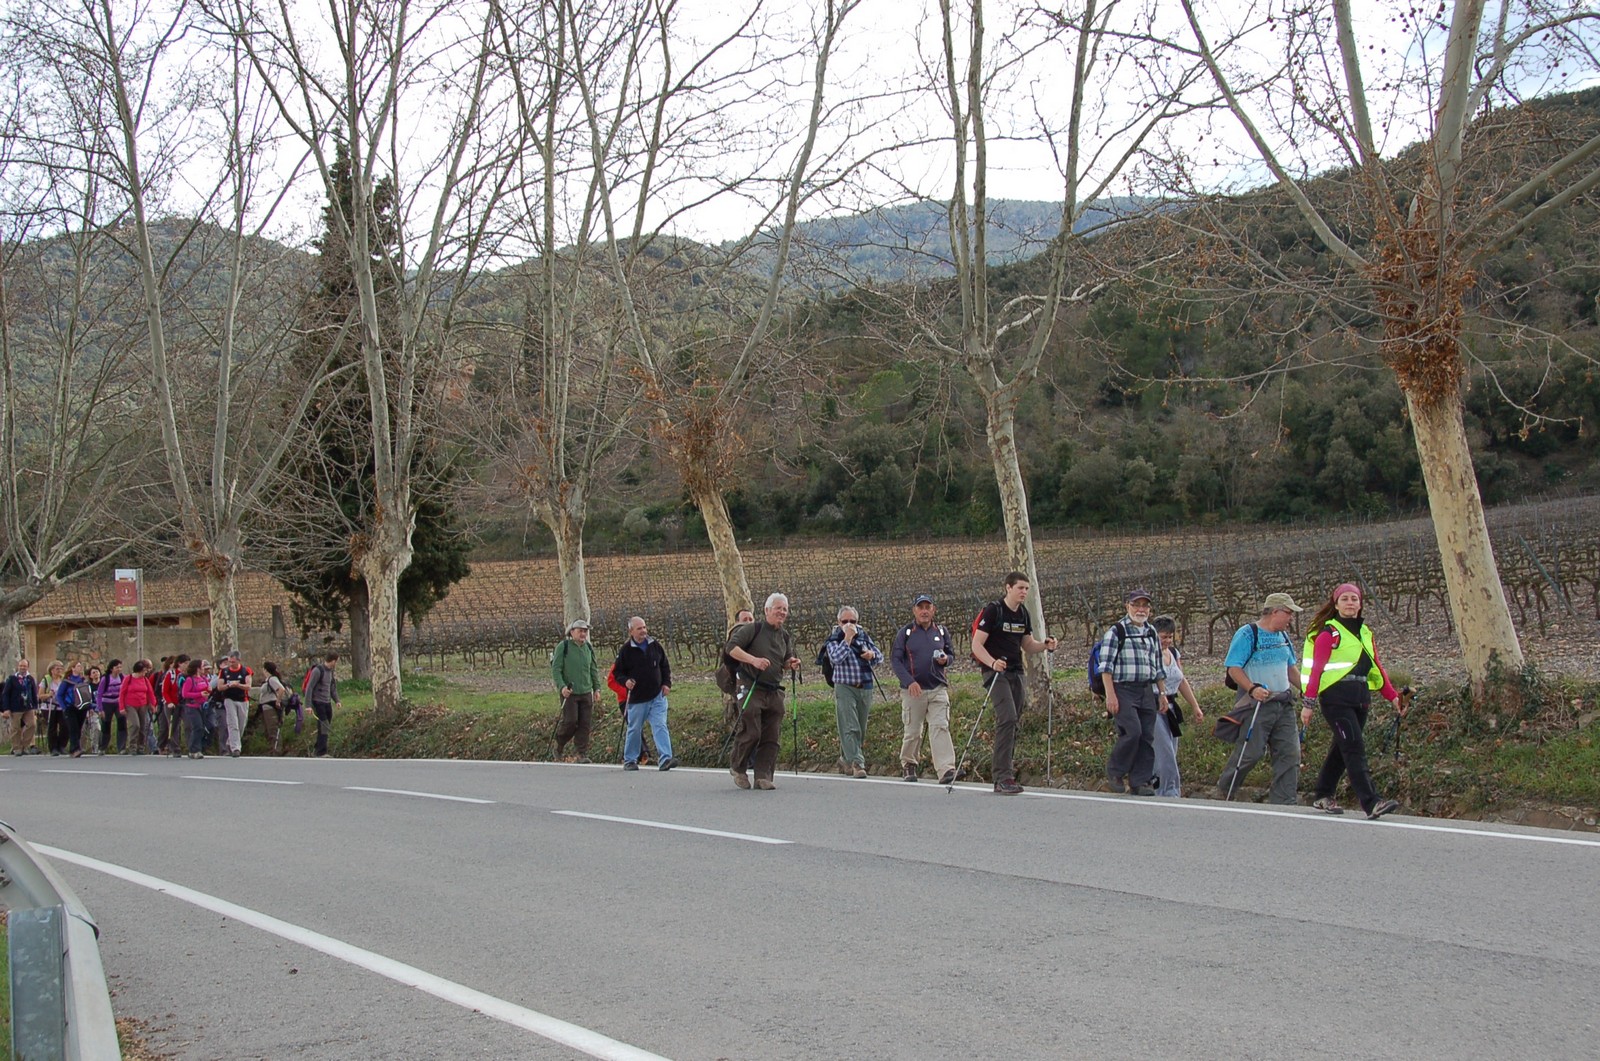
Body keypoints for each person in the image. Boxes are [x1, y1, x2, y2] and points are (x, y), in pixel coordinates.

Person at [1302, 583, 1404, 820]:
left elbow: (1377, 667)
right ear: (1336, 604)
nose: (1350, 603)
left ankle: (1323, 795)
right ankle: (1371, 802)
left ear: (1360, 604)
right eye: (1345, 599)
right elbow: (1316, 671)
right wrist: (1308, 704)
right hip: (1335, 700)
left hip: (1360, 698)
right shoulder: (1329, 634)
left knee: (1342, 748)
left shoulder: (1365, 633)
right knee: (1354, 748)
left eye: (1354, 599)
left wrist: (1393, 696)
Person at [969, 572, 1059, 795]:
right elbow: (976, 645)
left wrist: (1045, 645)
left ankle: (1005, 773)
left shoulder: (1023, 614)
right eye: (1020, 588)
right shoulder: (994, 610)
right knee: (1007, 717)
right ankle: (1002, 776)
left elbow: (1027, 645)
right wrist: (993, 662)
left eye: (1027, 589)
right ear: (1008, 588)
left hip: (1016, 672)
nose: (1024, 592)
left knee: (1013, 721)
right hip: (995, 673)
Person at [1217, 592, 1306, 805]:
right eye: (1288, 613)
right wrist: (1252, 688)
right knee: (1251, 752)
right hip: (1257, 705)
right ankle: (1225, 791)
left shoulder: (1283, 637)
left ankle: (1284, 802)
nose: (1291, 618)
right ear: (1275, 612)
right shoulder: (1248, 634)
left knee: (1290, 753)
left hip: (1284, 703)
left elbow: (1290, 668)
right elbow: (1233, 668)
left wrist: (1306, 689)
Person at [726, 592, 801, 790]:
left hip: (773, 690)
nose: (782, 612)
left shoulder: (784, 635)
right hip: (751, 685)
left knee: (772, 734)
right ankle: (738, 768)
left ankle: (763, 776)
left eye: (785, 609)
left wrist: (791, 663)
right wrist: (754, 661)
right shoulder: (753, 629)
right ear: (767, 610)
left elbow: (785, 660)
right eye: (778, 608)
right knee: (752, 730)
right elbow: (731, 648)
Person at [1099, 589, 1167, 796]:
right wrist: (1110, 695)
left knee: (1146, 736)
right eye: (1136, 605)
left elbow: (1157, 666)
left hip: (1146, 689)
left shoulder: (1151, 632)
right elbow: (1106, 667)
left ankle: (1140, 781)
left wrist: (1162, 693)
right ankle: (1115, 773)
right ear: (1127, 606)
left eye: (1145, 605)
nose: (1141, 610)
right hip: (1123, 689)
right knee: (1132, 731)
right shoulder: (1116, 631)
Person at [891, 594, 958, 784]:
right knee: (913, 731)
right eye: (920, 608)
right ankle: (909, 764)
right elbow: (895, 660)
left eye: (928, 607)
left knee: (940, 727)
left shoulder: (941, 631)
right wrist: (909, 682)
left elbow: (951, 654)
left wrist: (946, 660)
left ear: (933, 610)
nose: (924, 611)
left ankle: (946, 769)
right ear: (914, 611)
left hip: (937, 688)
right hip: (914, 691)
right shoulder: (906, 633)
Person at [823, 604, 881, 778]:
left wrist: (872, 655)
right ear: (838, 622)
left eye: (853, 621)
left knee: (860, 728)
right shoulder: (834, 639)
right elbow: (836, 658)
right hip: (845, 686)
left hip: (865, 686)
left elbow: (879, 656)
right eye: (845, 621)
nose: (849, 624)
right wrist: (847, 639)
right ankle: (858, 763)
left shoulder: (864, 637)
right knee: (850, 726)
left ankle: (845, 759)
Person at [614, 617, 677, 772]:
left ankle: (665, 758)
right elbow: (618, 673)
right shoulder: (626, 651)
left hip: (657, 696)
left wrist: (666, 683)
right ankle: (630, 760)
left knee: (660, 725)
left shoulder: (655, 645)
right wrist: (625, 681)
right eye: (639, 628)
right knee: (634, 729)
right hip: (637, 698)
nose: (643, 631)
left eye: (644, 627)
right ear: (631, 631)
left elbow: (664, 666)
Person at [1152, 616, 1203, 798]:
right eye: (1163, 637)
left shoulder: (1173, 653)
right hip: (1154, 706)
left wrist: (1195, 706)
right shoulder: (1149, 655)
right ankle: (1169, 793)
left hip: (1171, 707)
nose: (1167, 641)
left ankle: (1162, 789)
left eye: (1170, 637)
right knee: (1164, 752)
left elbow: (1181, 680)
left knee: (1171, 752)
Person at [552, 619, 601, 762]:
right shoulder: (564, 647)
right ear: (572, 632)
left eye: (585, 631)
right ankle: (559, 743)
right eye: (580, 631)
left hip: (586, 691)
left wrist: (596, 688)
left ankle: (581, 753)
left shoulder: (588, 648)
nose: (583, 634)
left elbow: (593, 669)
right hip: (570, 693)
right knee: (570, 721)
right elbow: (556, 669)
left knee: (585, 724)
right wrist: (562, 687)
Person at [303, 653, 341, 758]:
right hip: (318, 702)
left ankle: (318, 748)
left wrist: (337, 700)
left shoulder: (331, 672)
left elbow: (332, 688)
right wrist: (308, 705)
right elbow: (309, 687)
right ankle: (321, 752)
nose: (336, 663)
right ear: (333, 661)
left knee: (325, 726)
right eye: (336, 661)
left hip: (327, 702)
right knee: (324, 725)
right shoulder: (318, 671)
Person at [216, 652, 252, 757]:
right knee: (233, 724)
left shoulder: (246, 670)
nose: (231, 664)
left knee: (241, 724)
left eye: (233, 662)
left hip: (243, 700)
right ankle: (236, 748)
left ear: (238, 661)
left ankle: (230, 742)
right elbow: (219, 687)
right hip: (229, 699)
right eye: (229, 662)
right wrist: (228, 685)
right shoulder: (224, 671)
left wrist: (238, 685)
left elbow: (248, 686)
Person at [118, 659, 158, 755]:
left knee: (143, 727)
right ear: (138, 670)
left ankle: (141, 747)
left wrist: (153, 704)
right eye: (144, 671)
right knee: (135, 725)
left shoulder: (145, 680)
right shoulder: (128, 679)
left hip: (143, 705)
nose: (145, 673)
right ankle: (132, 747)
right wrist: (121, 707)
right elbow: (122, 693)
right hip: (130, 705)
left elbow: (150, 692)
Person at [3, 658, 41, 756]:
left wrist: (36, 706)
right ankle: (16, 748)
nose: (22, 668)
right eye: (21, 666)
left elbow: (34, 693)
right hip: (15, 707)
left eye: (24, 666)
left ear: (28, 667)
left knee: (32, 725)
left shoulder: (30, 679)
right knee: (15, 728)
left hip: (28, 706)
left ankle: (24, 746)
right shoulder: (12, 679)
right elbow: (6, 694)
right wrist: (6, 708)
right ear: (18, 666)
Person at [55, 662, 91, 758]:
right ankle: (74, 749)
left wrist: (89, 706)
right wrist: (64, 707)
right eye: (78, 666)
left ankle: (76, 747)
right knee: (73, 728)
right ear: (73, 668)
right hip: (70, 707)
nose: (80, 668)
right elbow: (59, 695)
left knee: (78, 728)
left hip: (82, 707)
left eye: (80, 666)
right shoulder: (67, 681)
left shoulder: (83, 680)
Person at [179, 658, 211, 759]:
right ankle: (194, 750)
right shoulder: (190, 680)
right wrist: (199, 694)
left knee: (204, 728)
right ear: (197, 668)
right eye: (202, 667)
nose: (203, 669)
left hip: (202, 706)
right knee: (198, 727)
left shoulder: (203, 679)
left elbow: (207, 689)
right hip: (192, 707)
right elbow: (185, 694)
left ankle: (198, 748)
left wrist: (208, 691)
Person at [257, 661, 291, 755]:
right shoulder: (268, 680)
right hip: (265, 707)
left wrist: (278, 701)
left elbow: (281, 689)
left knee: (273, 728)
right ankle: (272, 748)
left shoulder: (272, 679)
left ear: (265, 669)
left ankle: (276, 750)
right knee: (269, 729)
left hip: (270, 707)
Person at [96, 659, 127, 754]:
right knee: (106, 724)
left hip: (118, 703)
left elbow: (125, 691)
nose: (119, 669)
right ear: (111, 668)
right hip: (106, 703)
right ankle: (102, 747)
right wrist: (100, 709)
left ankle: (121, 748)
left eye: (120, 667)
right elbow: (99, 694)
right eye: (117, 667)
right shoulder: (105, 679)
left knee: (122, 724)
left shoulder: (122, 677)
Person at [41, 660, 68, 756]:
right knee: (52, 727)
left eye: (61, 668)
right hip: (49, 707)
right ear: (52, 670)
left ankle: (62, 746)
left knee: (65, 726)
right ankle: (53, 748)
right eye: (57, 669)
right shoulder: (46, 680)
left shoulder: (64, 680)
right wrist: (48, 695)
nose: (60, 670)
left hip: (62, 707)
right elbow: (40, 695)